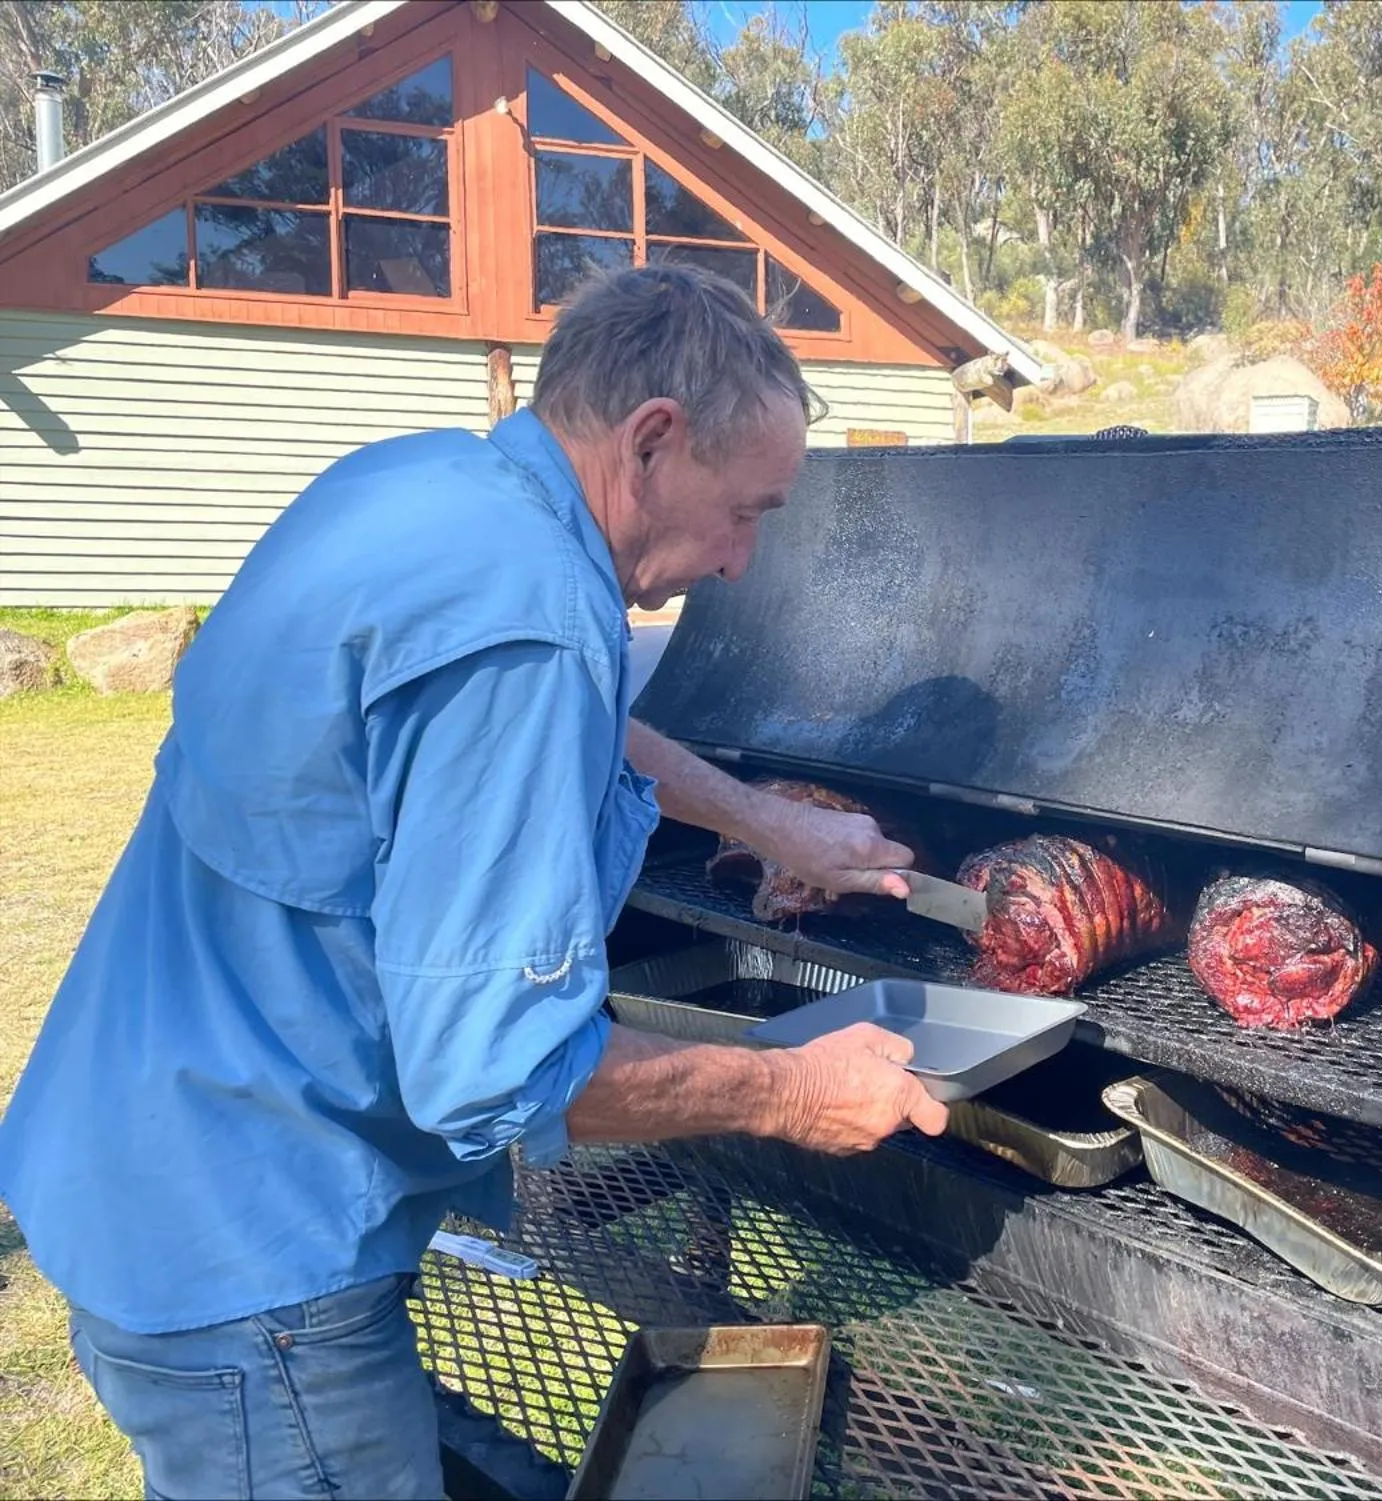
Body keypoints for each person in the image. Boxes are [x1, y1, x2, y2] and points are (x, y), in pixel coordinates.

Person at [0, 265, 949, 1500]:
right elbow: (503, 1070)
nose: (738, 562)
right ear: (653, 441)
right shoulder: (534, 613)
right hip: (249, 1254)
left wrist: (764, 818)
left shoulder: (430, 491)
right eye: (746, 511)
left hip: (141, 1143)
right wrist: (793, 1090)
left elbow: (563, 703)